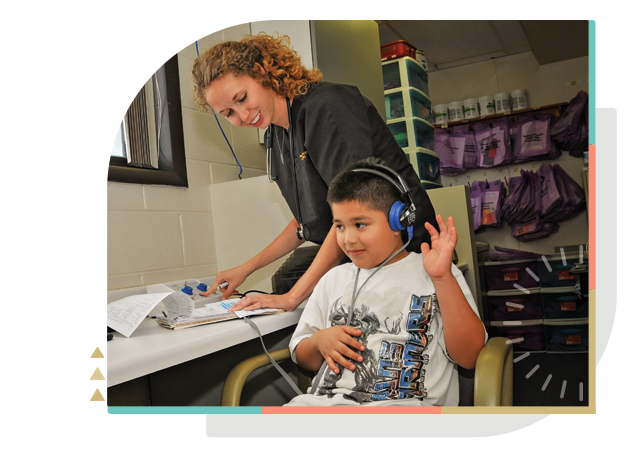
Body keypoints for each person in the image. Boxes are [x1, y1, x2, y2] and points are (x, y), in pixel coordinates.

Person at [191, 33, 438, 312]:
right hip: (362, 264)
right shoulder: (277, 133)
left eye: (242, 98)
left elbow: (353, 212)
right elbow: (308, 219)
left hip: (408, 260)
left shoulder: (326, 107)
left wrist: (293, 297)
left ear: (260, 72)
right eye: (228, 113)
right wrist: (247, 268)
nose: (244, 116)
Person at [285, 158, 486, 406]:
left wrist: (442, 278)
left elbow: (470, 356)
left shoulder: (435, 273)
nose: (348, 239)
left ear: (398, 221)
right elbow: (305, 358)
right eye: (339, 226)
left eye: (360, 224)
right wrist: (318, 342)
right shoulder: (333, 280)